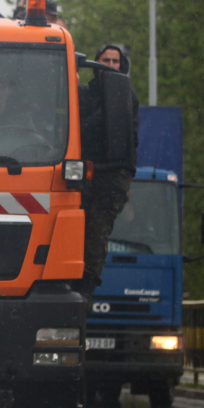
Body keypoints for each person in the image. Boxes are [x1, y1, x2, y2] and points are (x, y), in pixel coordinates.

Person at [77, 44, 140, 310]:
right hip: (80, 172)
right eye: (105, 60)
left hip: (111, 174)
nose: (111, 65)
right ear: (96, 64)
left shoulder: (125, 96)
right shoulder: (83, 94)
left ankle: (85, 290)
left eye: (115, 61)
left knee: (96, 232)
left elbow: (121, 137)